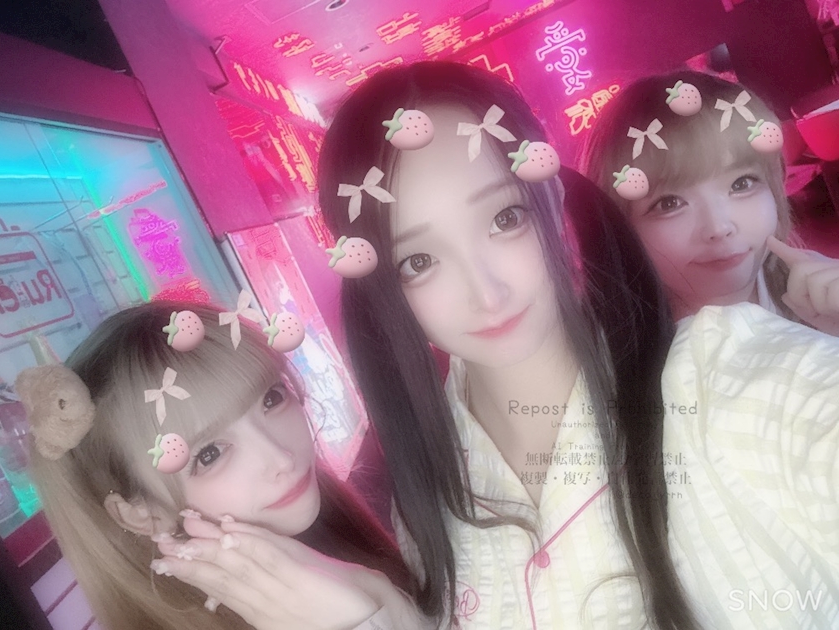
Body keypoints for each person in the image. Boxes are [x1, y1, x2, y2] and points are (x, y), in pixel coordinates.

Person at [312, 61, 839, 629]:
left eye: (506, 218)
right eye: (418, 261)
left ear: (553, 202)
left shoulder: (719, 380)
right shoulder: (426, 494)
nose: (486, 293)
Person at [18, 300, 426, 630]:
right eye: (209, 454)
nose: (280, 457)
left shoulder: (340, 533)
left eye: (271, 398)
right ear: (141, 513)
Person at [578, 70, 839, 334]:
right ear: (619, 228)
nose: (719, 228)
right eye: (669, 203)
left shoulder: (819, 297)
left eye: (742, 184)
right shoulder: (620, 351)